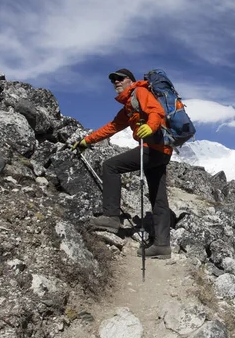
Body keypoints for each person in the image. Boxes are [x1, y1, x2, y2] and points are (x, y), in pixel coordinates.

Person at [72, 68, 173, 259]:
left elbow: (156, 111)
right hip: (162, 150)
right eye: (113, 80)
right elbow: (112, 127)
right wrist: (87, 141)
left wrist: (149, 127)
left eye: (120, 79)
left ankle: (111, 217)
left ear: (130, 81)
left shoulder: (140, 92)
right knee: (158, 197)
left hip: (153, 147)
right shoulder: (128, 106)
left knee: (111, 166)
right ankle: (162, 246)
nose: (116, 82)